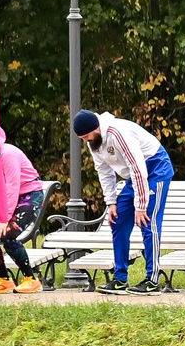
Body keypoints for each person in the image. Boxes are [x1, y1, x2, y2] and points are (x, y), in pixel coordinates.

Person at [74, 109, 174, 293]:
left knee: (148, 221)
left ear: (96, 128)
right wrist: (111, 202)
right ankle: (120, 279)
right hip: (134, 177)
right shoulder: (93, 141)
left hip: (155, 167)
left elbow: (138, 168)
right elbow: (104, 171)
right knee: (117, 220)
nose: (85, 141)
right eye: (82, 138)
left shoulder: (117, 133)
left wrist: (141, 206)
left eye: (86, 136)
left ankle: (152, 280)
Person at [0, 142, 48, 295]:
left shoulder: (7, 154)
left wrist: (4, 218)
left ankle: (31, 279)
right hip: (4, 198)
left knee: (8, 233)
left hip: (29, 195)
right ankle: (4, 280)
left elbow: (12, 186)